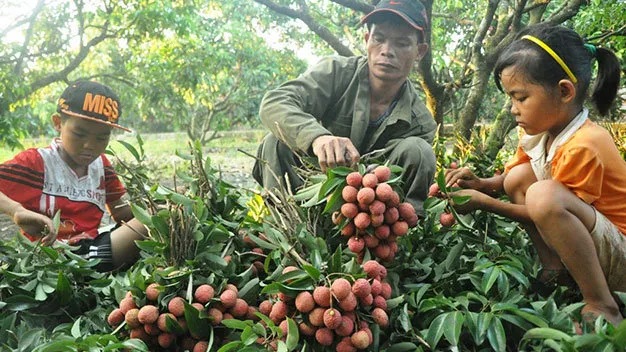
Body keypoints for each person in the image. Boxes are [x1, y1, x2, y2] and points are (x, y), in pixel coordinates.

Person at [444, 24, 624, 326]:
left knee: (543, 195)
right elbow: (513, 179)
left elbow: (549, 212)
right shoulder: (540, 132)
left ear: (564, 91)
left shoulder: (585, 145)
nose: (513, 109)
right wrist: (482, 185)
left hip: (620, 254)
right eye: (510, 99)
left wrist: (484, 203)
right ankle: (555, 269)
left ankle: (602, 303)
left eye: (520, 97)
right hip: (593, 246)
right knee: (518, 176)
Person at [252, 0, 437, 216]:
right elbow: (274, 102)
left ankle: (393, 240)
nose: (387, 51)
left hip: (374, 212)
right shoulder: (336, 73)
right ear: (367, 40)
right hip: (314, 187)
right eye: (379, 39)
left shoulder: (421, 123)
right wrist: (317, 138)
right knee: (275, 141)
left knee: (420, 151)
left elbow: (410, 173)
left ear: (420, 52)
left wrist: (370, 184)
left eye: (402, 43)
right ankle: (285, 226)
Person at [0, 80, 147, 272]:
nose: (90, 145)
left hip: (93, 247)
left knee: (156, 218)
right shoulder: (37, 162)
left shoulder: (101, 165)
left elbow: (120, 213)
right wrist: (16, 211)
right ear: (58, 123)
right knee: (150, 221)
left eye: (101, 138)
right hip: (50, 259)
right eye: (79, 134)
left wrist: (159, 204)